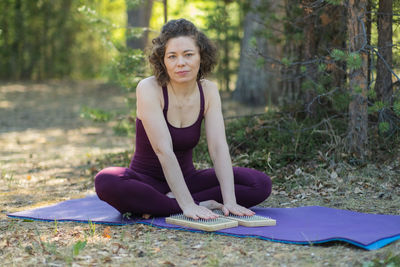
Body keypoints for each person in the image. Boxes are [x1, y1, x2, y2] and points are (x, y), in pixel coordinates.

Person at [95, 19, 271, 220]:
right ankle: (191, 203)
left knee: (259, 184)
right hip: (145, 182)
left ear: (201, 56)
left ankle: (161, 204)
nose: (181, 63)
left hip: (187, 180)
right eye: (172, 56)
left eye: (188, 54)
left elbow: (218, 147)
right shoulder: (149, 88)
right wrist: (187, 205)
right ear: (163, 60)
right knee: (106, 181)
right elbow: (163, 150)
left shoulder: (209, 91)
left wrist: (230, 201)